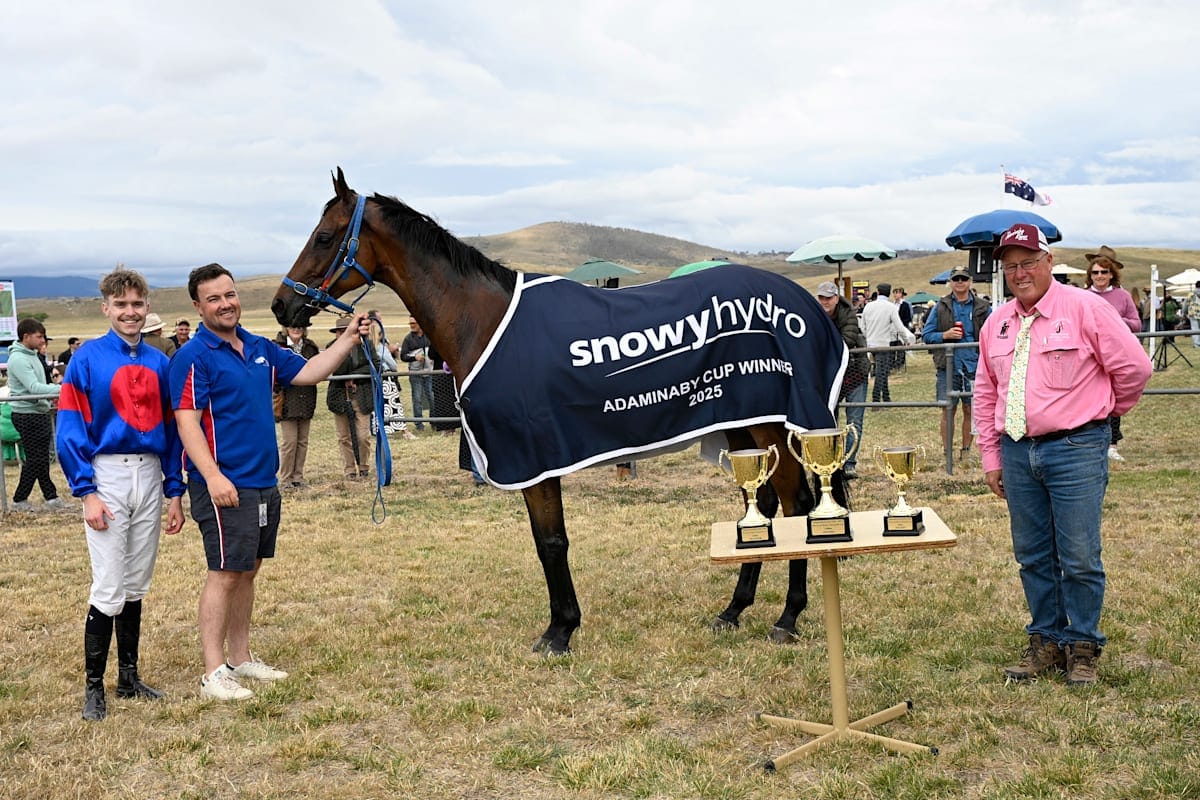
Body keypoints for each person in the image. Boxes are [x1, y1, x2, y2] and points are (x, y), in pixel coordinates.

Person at [169, 263, 371, 701]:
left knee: (249, 569)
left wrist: (350, 338)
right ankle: (212, 672)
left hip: (263, 481)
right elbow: (187, 424)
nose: (225, 304)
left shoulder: (260, 347)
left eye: (230, 294)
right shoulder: (192, 356)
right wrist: (213, 475)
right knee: (224, 572)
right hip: (224, 484)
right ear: (198, 306)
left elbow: (310, 372)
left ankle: (240, 658)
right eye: (214, 299)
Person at [974, 223, 1151, 687]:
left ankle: (1084, 645)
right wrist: (992, 457)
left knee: (1078, 555)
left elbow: (1134, 367)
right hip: (1016, 451)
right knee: (1032, 555)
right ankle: (1046, 640)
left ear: (1049, 261)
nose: (1020, 273)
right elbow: (985, 393)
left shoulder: (1085, 308)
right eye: (1010, 266)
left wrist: (1104, 418)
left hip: (1075, 448)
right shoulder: (997, 322)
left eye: (1028, 262)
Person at [56, 268, 186, 721]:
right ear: (106, 308)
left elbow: (172, 432)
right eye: (121, 305)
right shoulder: (86, 359)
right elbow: (70, 427)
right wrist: (86, 492)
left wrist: (175, 492)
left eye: (137, 304)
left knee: (136, 582)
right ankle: (94, 688)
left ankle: (128, 677)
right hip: (107, 474)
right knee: (109, 584)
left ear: (147, 307)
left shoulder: (160, 362)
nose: (130, 312)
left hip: (150, 475)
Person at [921, 266, 990, 462]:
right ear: (950, 282)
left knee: (971, 409)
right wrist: (945, 335)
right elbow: (926, 335)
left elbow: (994, 332)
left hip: (975, 366)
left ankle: (966, 450)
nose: (960, 282)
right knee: (948, 408)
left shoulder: (983, 307)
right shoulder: (940, 306)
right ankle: (947, 452)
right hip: (948, 366)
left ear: (970, 282)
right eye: (956, 278)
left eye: (964, 278)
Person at [1084, 246, 1141, 462]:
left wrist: (1116, 321)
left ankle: (1112, 442)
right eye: (1095, 272)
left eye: (1104, 272)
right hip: (1089, 356)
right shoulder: (1082, 296)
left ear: (1112, 274)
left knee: (1114, 397)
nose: (1100, 276)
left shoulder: (1123, 296)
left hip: (1116, 354)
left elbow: (1136, 324)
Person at [7, 318, 66, 512]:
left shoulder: (31, 355)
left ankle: (50, 497)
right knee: (36, 460)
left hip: (37, 412)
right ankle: (20, 499)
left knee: (40, 459)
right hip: (27, 414)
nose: (43, 341)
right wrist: (63, 389)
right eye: (39, 336)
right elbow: (33, 388)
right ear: (26, 337)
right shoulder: (18, 359)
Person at [814, 282, 869, 478]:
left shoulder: (849, 314)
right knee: (829, 419)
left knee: (854, 420)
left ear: (837, 298)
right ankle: (831, 461)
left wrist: (823, 347)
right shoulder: (814, 316)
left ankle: (849, 463)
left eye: (828, 298)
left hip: (855, 373)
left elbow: (848, 339)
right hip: (830, 375)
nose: (825, 302)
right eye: (821, 298)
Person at [326, 316, 377, 480]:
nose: (342, 334)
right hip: (339, 395)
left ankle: (363, 467)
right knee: (344, 436)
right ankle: (349, 470)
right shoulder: (330, 348)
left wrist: (353, 376)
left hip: (361, 395)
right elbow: (336, 370)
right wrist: (344, 353)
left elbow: (375, 365)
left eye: (345, 330)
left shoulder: (366, 345)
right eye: (339, 331)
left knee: (363, 435)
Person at [273, 324, 320, 487]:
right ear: (286, 328)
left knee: (302, 441)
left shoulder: (311, 347)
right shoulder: (277, 347)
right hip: (287, 399)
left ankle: (298, 477)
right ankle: (286, 479)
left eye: (299, 326)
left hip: (307, 398)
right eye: (292, 326)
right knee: (289, 442)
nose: (296, 329)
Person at [366, 311, 417, 441]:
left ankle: (382, 429)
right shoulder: (380, 347)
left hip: (376, 380)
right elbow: (393, 365)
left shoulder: (368, 347)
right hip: (387, 379)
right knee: (394, 406)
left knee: (380, 406)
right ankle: (404, 430)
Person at [860, 282, 915, 403]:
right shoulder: (891, 307)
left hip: (871, 343)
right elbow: (900, 327)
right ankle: (876, 397)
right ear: (889, 293)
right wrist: (906, 341)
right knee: (881, 372)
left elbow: (862, 325)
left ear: (878, 292)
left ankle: (886, 396)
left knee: (883, 370)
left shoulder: (868, 306)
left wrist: (868, 337)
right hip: (884, 343)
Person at [399, 316, 434, 431]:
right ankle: (419, 425)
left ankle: (434, 422)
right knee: (417, 399)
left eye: (414, 323)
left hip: (429, 373)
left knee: (432, 397)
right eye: (410, 324)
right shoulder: (408, 339)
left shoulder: (429, 336)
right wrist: (414, 357)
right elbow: (403, 356)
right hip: (415, 374)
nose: (411, 326)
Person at [1188, 281, 1200, 348]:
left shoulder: (1191, 294)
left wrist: (1183, 312)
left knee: (1195, 328)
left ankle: (1197, 344)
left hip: (1193, 313)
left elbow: (1185, 304)